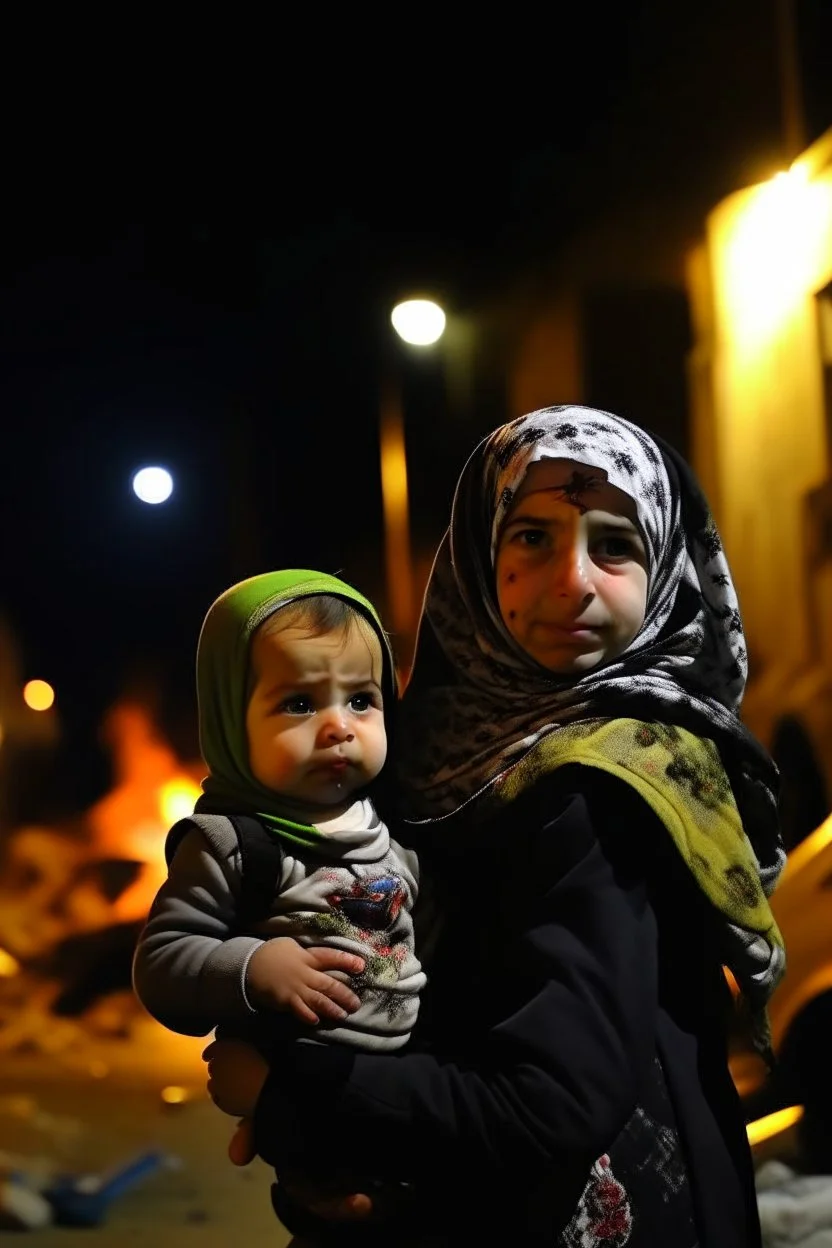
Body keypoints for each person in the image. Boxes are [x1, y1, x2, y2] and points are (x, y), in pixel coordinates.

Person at [204, 407, 787, 1247]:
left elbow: (552, 1101)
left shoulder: (602, 783)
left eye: (615, 546)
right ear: (480, 555)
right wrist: (325, 1170)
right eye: (532, 539)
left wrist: (289, 1095)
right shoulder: (434, 748)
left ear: (665, 569)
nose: (573, 582)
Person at [132, 568, 425, 1169]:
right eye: (298, 703)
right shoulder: (234, 845)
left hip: (402, 1087)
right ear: (228, 721)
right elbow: (160, 963)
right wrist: (253, 965)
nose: (340, 726)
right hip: (305, 1089)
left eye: (362, 700)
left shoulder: (390, 824)